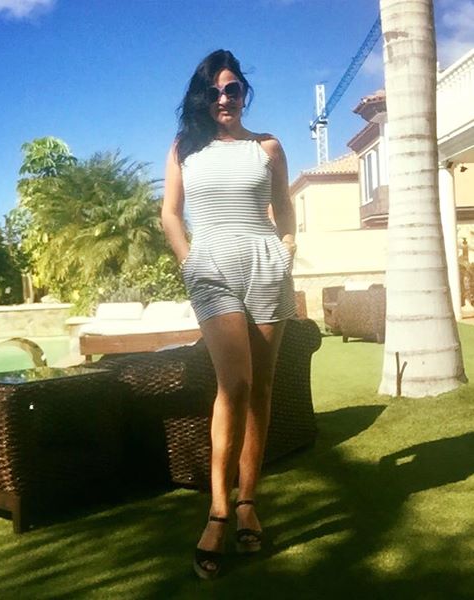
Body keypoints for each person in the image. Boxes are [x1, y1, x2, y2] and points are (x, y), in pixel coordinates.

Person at [161, 49, 297, 579]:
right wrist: (189, 261)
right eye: (214, 91)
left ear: (243, 92)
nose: (224, 99)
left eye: (232, 89)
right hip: (211, 268)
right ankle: (219, 508)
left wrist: (286, 253)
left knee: (261, 388)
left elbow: (285, 210)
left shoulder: (267, 147)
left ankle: (248, 504)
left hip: (266, 266)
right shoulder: (185, 148)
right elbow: (170, 214)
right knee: (234, 384)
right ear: (202, 98)